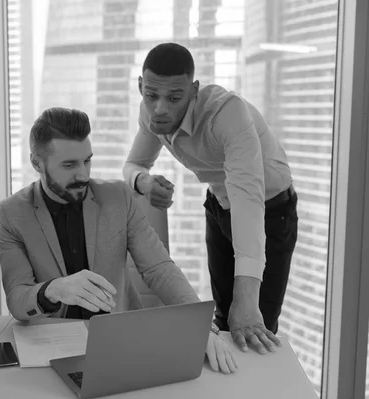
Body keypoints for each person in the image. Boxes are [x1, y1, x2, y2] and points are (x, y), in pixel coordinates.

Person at [0, 107, 237, 374]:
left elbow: (159, 268)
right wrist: (53, 289)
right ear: (36, 163)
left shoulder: (117, 197)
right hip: (52, 349)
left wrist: (200, 324)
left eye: (87, 161)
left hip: (120, 344)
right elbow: (17, 299)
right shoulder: (12, 213)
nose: (83, 175)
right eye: (69, 165)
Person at [123, 42, 298, 354]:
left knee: (257, 326)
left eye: (174, 98)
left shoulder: (227, 114)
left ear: (193, 92)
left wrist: (247, 298)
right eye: (151, 95)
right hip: (218, 204)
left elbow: (248, 199)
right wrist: (144, 182)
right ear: (141, 86)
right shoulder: (152, 112)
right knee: (223, 318)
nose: (160, 108)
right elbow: (133, 165)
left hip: (270, 209)